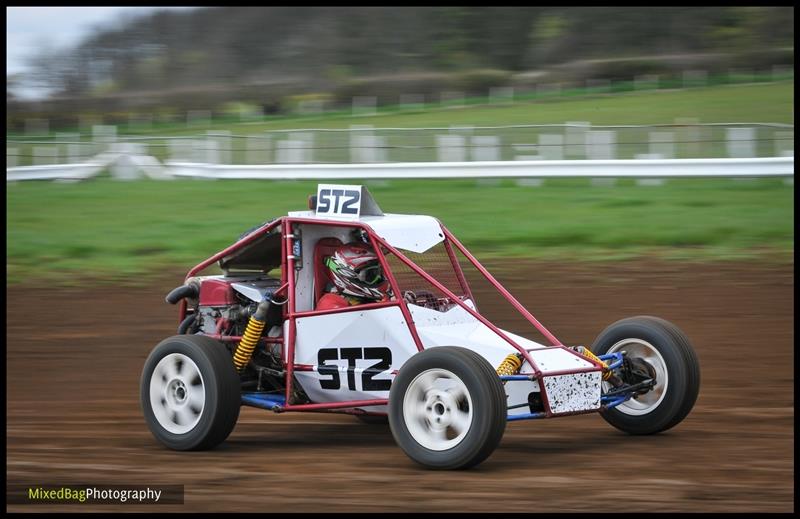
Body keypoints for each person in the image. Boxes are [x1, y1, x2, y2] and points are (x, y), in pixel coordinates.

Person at [317, 242, 392, 310]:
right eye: (371, 275)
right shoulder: (330, 304)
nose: (378, 278)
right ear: (346, 274)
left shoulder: (360, 299)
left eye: (379, 272)